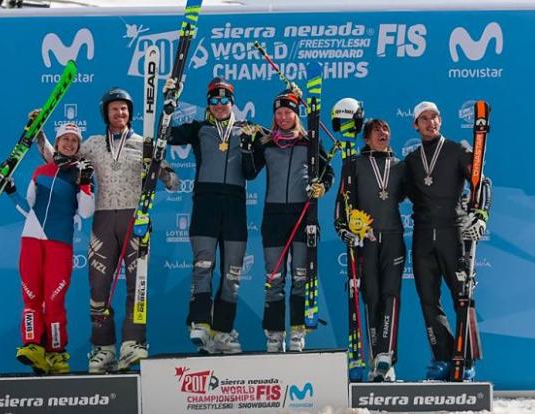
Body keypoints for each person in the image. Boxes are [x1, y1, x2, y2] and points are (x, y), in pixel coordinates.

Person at [38, 87, 179, 373]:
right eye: (114, 109)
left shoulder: (143, 144)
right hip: (102, 220)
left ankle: (133, 344)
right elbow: (59, 161)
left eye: (124, 109)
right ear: (106, 113)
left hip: (135, 219)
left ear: (131, 113)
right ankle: (103, 349)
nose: (120, 113)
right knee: (99, 287)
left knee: (135, 285)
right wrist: (39, 136)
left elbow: (173, 182)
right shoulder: (91, 144)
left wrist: (158, 168)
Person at [164, 77, 259, 354]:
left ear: (232, 102)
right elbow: (164, 134)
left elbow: (254, 170)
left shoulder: (246, 130)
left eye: (224, 100)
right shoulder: (198, 128)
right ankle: (200, 322)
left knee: (232, 275)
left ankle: (223, 332)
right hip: (205, 205)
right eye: (214, 101)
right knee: (202, 267)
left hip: (234, 208)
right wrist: (169, 102)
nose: (219, 105)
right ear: (209, 104)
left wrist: (250, 148)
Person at [242, 89, 334, 353]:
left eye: (288, 112)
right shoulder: (267, 143)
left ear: (296, 114)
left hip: (303, 215)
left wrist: (321, 188)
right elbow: (249, 172)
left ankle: (296, 333)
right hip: (273, 216)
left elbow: (328, 172)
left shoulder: (310, 142)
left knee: (300, 277)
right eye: (279, 113)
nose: (283, 117)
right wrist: (248, 146)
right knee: (274, 278)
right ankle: (274, 334)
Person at [405, 101, 491, 381]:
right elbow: (392, 193)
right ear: (415, 125)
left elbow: (482, 183)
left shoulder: (457, 150)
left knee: (462, 299)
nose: (430, 123)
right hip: (422, 236)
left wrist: (479, 215)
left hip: (452, 233)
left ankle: (465, 361)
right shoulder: (412, 159)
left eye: (435, 117)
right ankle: (442, 358)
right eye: (424, 119)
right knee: (429, 301)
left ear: (440, 121)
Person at [6, 122, 95, 375]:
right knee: (31, 297)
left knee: (54, 300)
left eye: (74, 141)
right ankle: (33, 345)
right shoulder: (40, 171)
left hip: (59, 244)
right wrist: (11, 192)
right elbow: (27, 209)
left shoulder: (80, 173)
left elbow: (86, 212)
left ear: (78, 146)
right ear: (56, 143)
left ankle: (56, 353)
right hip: (31, 240)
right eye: (65, 139)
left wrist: (86, 184)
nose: (69, 143)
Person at [332, 103, 407, 381]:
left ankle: (387, 354)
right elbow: (342, 202)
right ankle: (378, 360)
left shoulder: (400, 166)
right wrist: (343, 229)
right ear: (366, 138)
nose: (383, 133)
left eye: (386, 129)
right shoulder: (353, 164)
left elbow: (422, 196)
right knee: (371, 296)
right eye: (377, 130)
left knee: (391, 294)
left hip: (394, 238)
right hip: (366, 241)